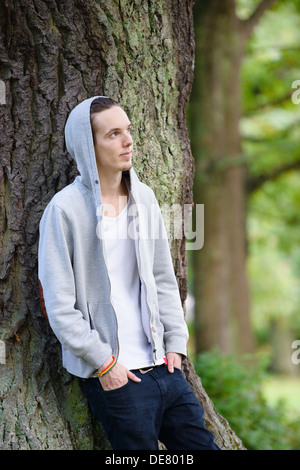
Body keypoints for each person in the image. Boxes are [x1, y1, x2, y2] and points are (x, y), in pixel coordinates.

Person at [38, 96, 220, 451]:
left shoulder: (145, 199)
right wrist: (105, 364)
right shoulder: (64, 210)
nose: (128, 141)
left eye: (129, 131)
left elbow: (164, 280)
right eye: (114, 134)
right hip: (117, 376)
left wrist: (176, 346)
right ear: (88, 147)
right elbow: (59, 306)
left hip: (164, 367)